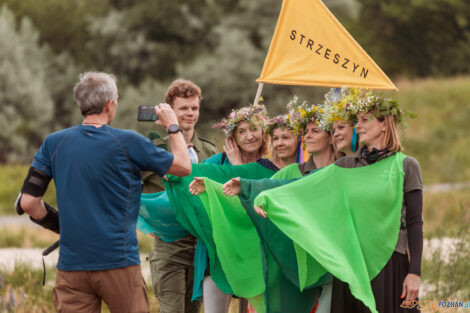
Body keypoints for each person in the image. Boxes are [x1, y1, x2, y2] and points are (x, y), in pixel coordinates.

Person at [16, 72, 191, 313]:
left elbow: (28, 203)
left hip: (72, 265)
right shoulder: (129, 141)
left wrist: (63, 227)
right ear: (110, 104)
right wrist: (173, 126)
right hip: (118, 262)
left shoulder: (53, 143)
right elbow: (183, 166)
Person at [330, 91, 423, 313]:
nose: (358, 126)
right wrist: (252, 189)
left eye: (364, 120)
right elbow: (307, 187)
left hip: (390, 262)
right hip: (352, 262)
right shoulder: (344, 166)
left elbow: (415, 222)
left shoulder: (406, 165)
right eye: (357, 120)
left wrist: (415, 272)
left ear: (384, 124)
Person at [141, 79, 217, 313]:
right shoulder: (155, 150)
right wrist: (142, 222)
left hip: (201, 249)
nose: (190, 113)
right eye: (183, 108)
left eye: (194, 108)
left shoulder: (210, 151)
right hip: (169, 246)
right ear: (170, 110)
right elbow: (126, 186)